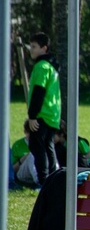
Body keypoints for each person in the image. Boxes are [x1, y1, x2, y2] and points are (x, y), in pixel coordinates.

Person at [26, 32, 62, 186]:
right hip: (53, 115)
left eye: (34, 46)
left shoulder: (41, 66)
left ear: (44, 48)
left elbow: (39, 92)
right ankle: (52, 181)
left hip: (42, 114)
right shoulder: (52, 67)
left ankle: (44, 181)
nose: (31, 49)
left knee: (37, 147)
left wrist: (32, 115)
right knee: (48, 147)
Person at [10, 121, 39, 188]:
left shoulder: (41, 142)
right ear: (25, 132)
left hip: (40, 170)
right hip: (22, 174)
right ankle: (39, 181)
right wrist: (23, 159)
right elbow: (12, 170)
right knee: (31, 155)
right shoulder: (17, 145)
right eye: (30, 133)